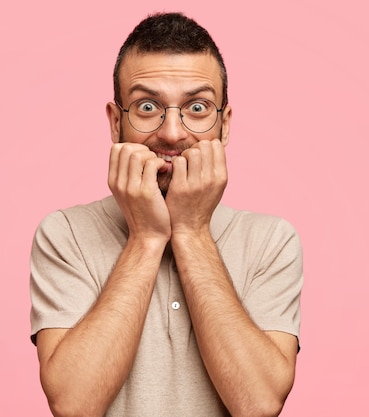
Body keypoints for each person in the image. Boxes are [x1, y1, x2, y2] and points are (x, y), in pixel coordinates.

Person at [29, 12, 303, 417]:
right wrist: (146, 238)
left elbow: (258, 404)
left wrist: (192, 233)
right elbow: (74, 405)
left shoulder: (271, 240)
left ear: (224, 126)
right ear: (115, 121)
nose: (172, 132)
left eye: (197, 107)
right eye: (146, 106)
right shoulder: (65, 233)